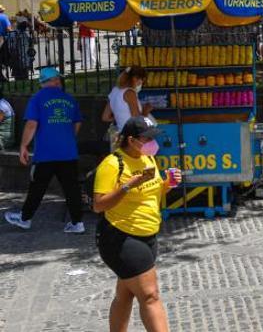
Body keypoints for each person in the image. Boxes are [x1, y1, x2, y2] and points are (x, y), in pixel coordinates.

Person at [94, 116, 180, 332]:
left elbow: (152, 191)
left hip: (148, 235)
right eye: (147, 139)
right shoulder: (113, 164)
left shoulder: (147, 159)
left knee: (126, 293)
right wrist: (126, 187)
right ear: (131, 140)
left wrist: (167, 184)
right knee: (150, 295)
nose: (152, 143)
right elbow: (98, 205)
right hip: (121, 237)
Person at [5, 67, 85, 233]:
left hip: (46, 153)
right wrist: (68, 138)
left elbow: (32, 124)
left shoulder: (37, 98)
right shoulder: (70, 99)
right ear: (56, 81)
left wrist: (23, 146)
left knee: (38, 187)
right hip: (68, 151)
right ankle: (77, 223)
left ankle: (25, 218)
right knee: (72, 188)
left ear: (42, 83)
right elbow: (77, 123)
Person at [103, 66, 153, 148]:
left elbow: (105, 117)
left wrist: (120, 116)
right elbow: (137, 120)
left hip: (119, 136)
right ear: (135, 79)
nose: (141, 84)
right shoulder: (130, 93)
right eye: (142, 81)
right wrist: (145, 111)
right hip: (132, 137)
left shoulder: (114, 91)